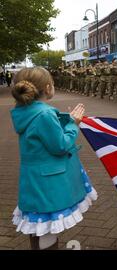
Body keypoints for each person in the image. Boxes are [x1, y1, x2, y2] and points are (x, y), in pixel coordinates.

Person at [10, 67, 97, 250]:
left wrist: (67, 120)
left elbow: (44, 134)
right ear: (48, 88)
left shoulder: (24, 110)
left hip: (33, 178)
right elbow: (60, 146)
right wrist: (73, 125)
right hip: (49, 182)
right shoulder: (45, 113)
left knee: (37, 226)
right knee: (48, 229)